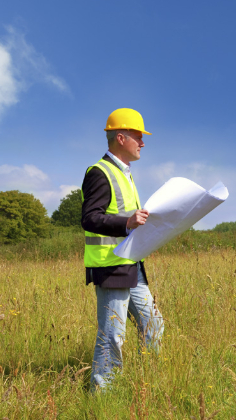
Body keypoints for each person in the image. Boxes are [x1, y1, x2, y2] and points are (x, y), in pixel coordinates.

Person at [81, 108, 164, 390]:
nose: (142, 143)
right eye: (138, 137)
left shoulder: (125, 174)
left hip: (132, 266)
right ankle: (102, 395)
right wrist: (126, 222)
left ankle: (150, 384)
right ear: (121, 137)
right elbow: (89, 218)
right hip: (111, 266)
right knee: (112, 335)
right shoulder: (99, 172)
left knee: (153, 324)